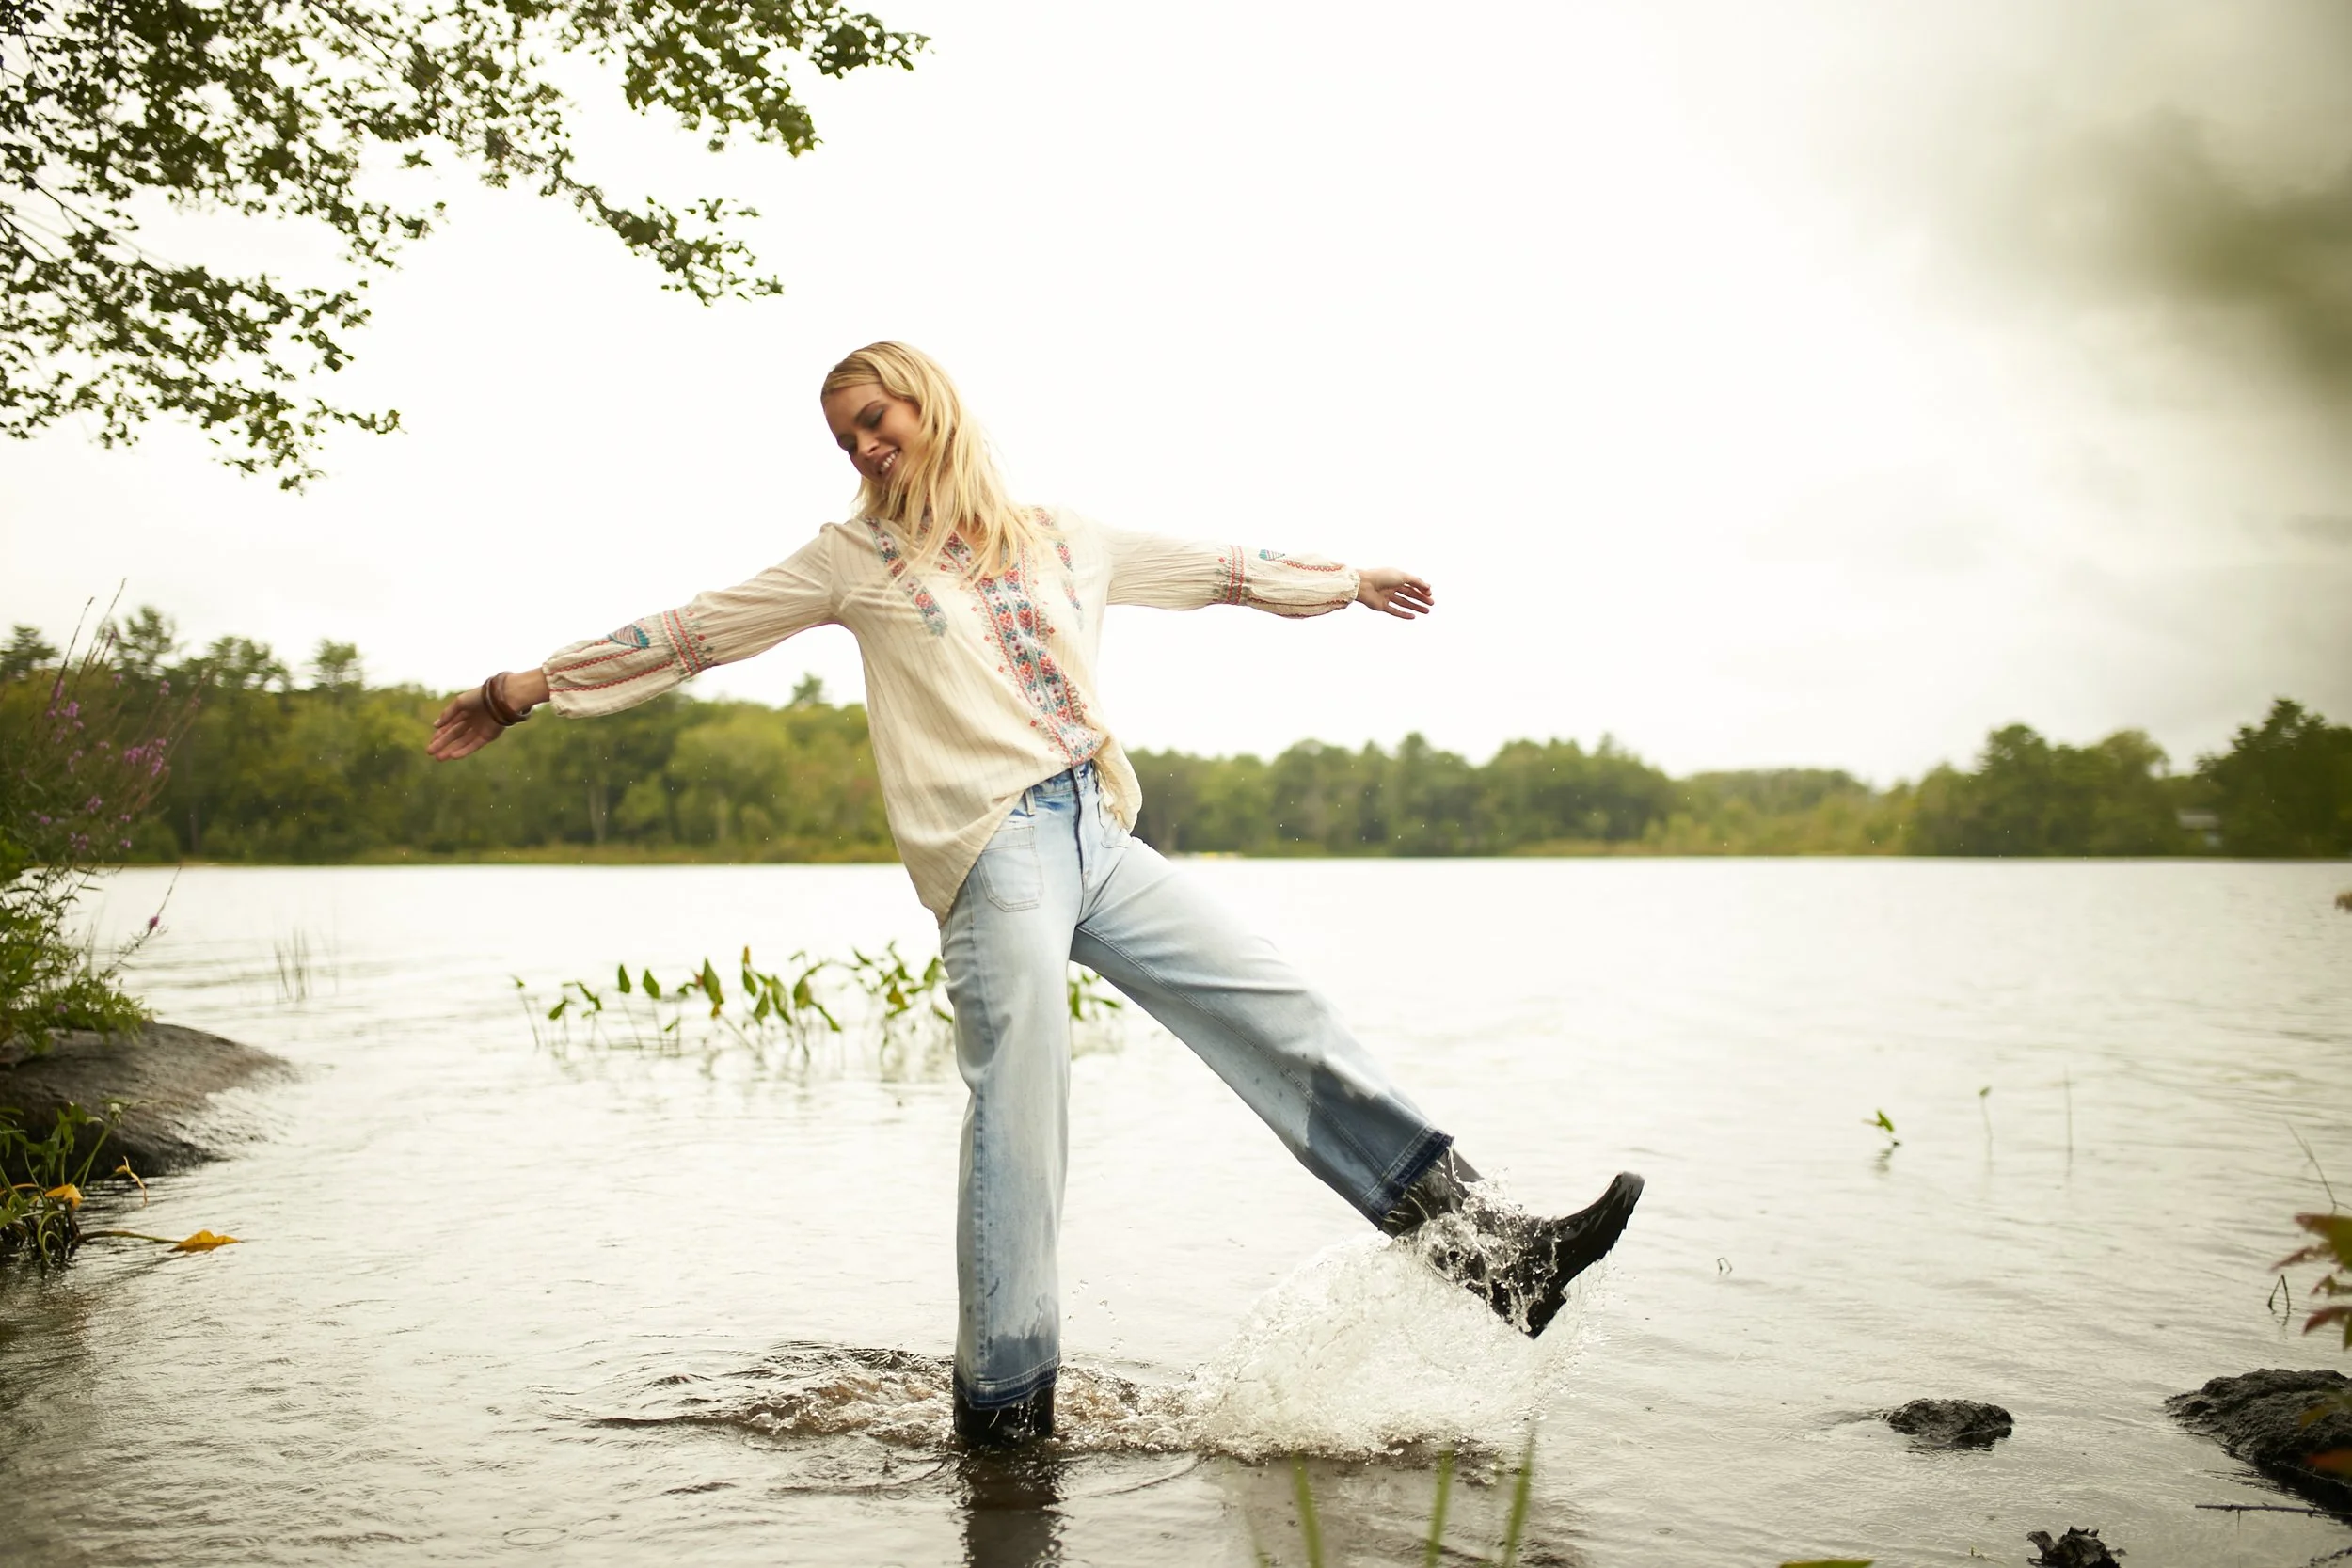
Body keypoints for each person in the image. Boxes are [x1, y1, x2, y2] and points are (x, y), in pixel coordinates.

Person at [427, 341, 1643, 1448]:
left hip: (1098, 831)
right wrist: (525, 685)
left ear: (928, 399)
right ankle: (1005, 1411)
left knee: (1283, 1010)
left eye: (872, 416)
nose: (860, 447)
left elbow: (1222, 570)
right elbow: (693, 632)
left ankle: (1497, 1258)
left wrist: (1344, 579)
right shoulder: (853, 560)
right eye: (843, 437)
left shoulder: (1063, 535)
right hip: (992, 848)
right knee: (1022, 1116)